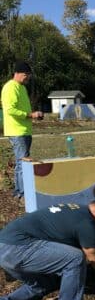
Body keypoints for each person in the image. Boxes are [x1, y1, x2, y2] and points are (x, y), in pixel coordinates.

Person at [1, 61, 44, 201]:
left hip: (25, 130)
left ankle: (19, 192)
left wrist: (33, 115)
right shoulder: (10, 87)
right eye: (26, 75)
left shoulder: (22, 88)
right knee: (23, 163)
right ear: (17, 73)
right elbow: (10, 110)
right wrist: (30, 115)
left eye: (29, 75)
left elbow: (23, 109)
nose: (27, 78)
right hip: (16, 131)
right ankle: (22, 194)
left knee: (23, 162)